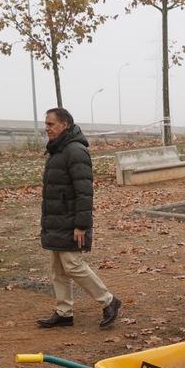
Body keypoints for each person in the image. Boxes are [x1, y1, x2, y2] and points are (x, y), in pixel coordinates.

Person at [35, 107, 121, 329]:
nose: (46, 128)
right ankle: (64, 312)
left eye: (50, 124)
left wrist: (81, 225)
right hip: (56, 220)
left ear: (64, 124)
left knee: (73, 265)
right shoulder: (57, 150)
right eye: (46, 124)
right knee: (58, 269)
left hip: (70, 222)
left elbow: (84, 192)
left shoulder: (75, 151)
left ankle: (109, 301)